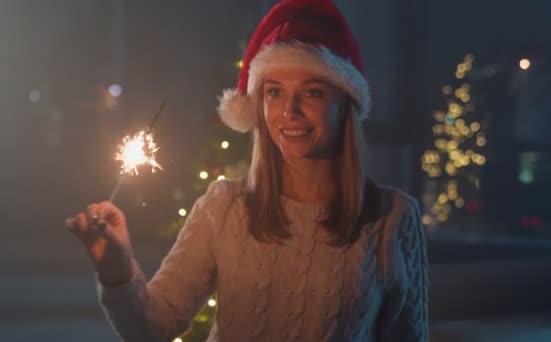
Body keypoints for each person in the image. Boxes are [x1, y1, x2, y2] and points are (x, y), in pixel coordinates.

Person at [65, 0, 428, 341]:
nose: (290, 111)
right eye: (275, 93)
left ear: (345, 105)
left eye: (312, 92)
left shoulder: (393, 220)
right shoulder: (223, 206)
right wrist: (117, 270)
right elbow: (152, 326)